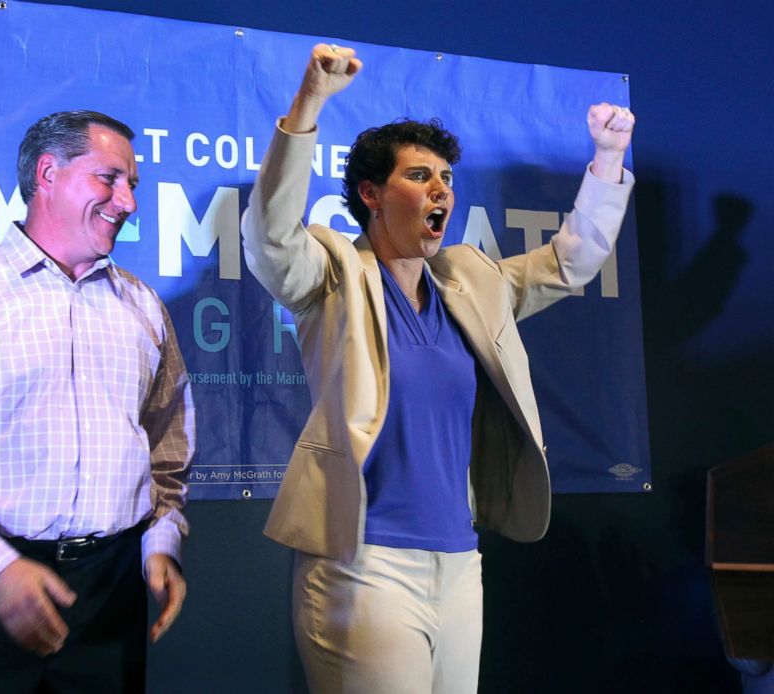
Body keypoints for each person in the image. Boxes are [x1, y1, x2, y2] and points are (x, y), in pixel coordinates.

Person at [241, 45, 635, 693]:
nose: (441, 189)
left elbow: (571, 262)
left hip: (458, 562)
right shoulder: (333, 270)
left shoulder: (470, 280)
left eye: (446, 177)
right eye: (420, 175)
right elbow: (271, 237)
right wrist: (308, 103)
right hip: (363, 564)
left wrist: (609, 160)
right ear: (371, 194)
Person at [0, 110, 194, 693]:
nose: (127, 202)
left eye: (132, 185)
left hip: (109, 600)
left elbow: (168, 446)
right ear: (47, 174)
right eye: (109, 179)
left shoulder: (145, 308)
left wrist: (160, 542)